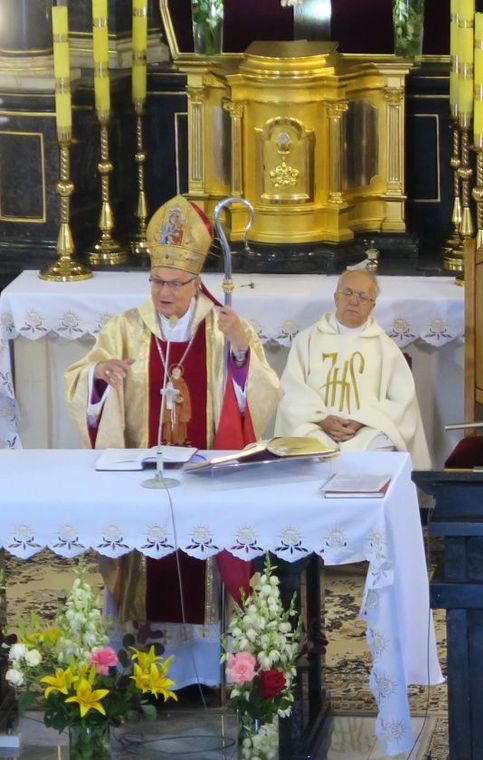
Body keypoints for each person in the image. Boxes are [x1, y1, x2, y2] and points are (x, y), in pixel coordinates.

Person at [64, 195, 282, 687]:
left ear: (194, 281)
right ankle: (143, 675)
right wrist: (100, 375)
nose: (164, 292)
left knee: (203, 564)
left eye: (175, 283)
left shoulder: (224, 327)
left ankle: (205, 674)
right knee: (146, 564)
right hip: (146, 481)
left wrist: (242, 352)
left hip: (204, 477)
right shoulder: (126, 327)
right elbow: (82, 381)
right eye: (157, 281)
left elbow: (262, 394)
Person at [275, 269, 431, 468]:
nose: (354, 301)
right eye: (348, 293)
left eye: (363, 297)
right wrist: (322, 419)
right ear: (336, 297)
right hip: (316, 426)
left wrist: (361, 420)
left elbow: (402, 401)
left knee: (381, 446)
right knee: (304, 447)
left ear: (372, 306)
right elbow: (291, 389)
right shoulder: (307, 340)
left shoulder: (385, 348)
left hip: (367, 429)